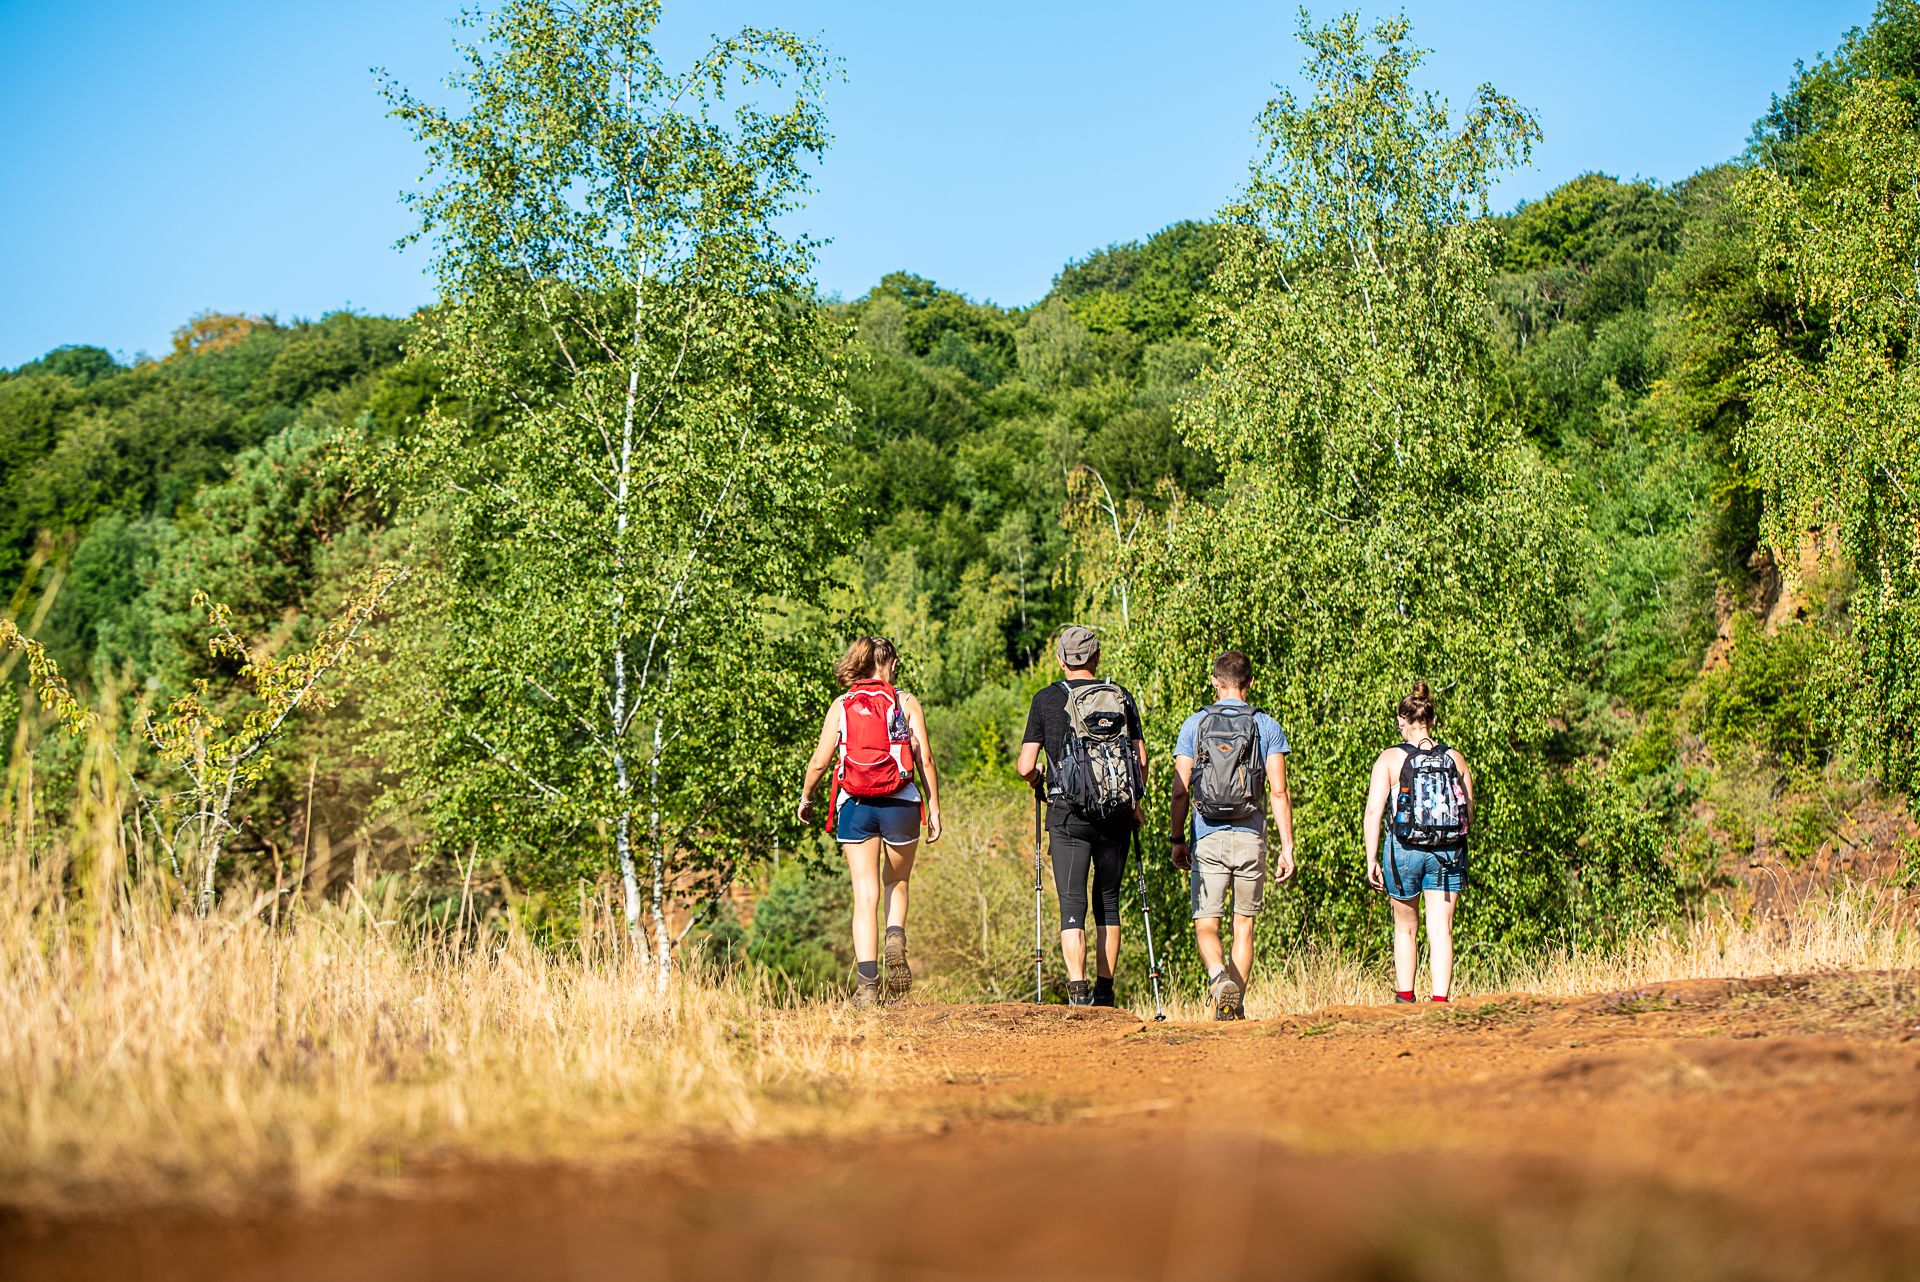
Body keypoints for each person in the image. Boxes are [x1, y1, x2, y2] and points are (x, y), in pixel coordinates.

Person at [797, 637, 943, 1009]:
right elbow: (924, 759)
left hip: (856, 806)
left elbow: (819, 762)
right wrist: (935, 808)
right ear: (889, 663)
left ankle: (867, 986)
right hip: (902, 805)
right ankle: (895, 938)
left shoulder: (842, 705)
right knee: (896, 881)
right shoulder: (907, 703)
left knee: (865, 895)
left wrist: (807, 798)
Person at [1015, 625, 1147, 1007]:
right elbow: (1139, 759)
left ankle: (1078, 992)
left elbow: (1025, 766)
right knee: (1109, 901)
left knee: (1072, 903)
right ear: (1097, 657)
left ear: (1060, 659)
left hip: (1068, 814)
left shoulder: (1046, 700)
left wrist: (1039, 778)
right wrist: (1133, 801)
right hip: (1117, 813)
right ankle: (1105, 994)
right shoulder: (1120, 696)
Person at [1169, 651, 1295, 1020]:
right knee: (1244, 925)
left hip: (1207, 836)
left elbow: (1180, 790)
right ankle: (1234, 1006)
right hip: (1250, 837)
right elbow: (1278, 791)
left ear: (1214, 681)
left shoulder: (1194, 724)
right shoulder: (1266, 726)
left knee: (1207, 923)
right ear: (1250, 683)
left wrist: (1178, 839)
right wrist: (1287, 848)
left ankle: (1217, 976)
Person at [1361, 679, 1475, 1003]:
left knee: (1405, 928)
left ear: (1402, 722)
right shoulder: (1455, 758)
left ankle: (1405, 999)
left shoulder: (1389, 759)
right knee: (1441, 931)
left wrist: (1371, 859)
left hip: (1403, 851)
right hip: (1447, 853)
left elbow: (1373, 812)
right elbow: (1469, 812)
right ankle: (1440, 1003)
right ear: (1433, 721)